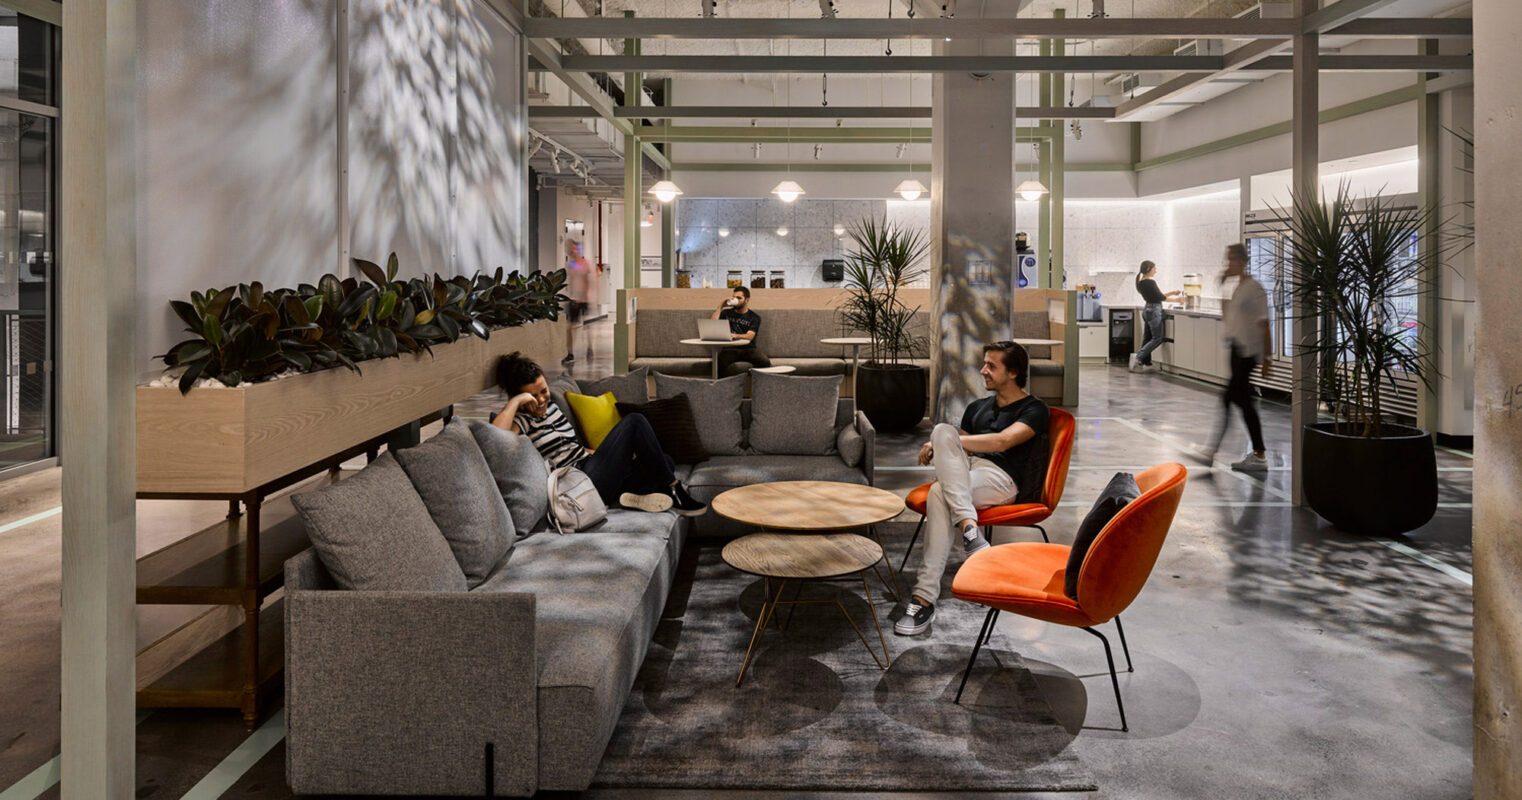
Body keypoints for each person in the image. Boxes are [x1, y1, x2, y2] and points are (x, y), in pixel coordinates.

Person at [896, 341, 1051, 637]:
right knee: (942, 468)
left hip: (1002, 480)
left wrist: (947, 440)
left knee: (940, 477)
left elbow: (1002, 442)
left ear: (1014, 372)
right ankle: (969, 529)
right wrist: (945, 443)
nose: (983, 371)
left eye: (992, 366)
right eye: (984, 364)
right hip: (967, 476)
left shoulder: (1034, 409)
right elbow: (957, 454)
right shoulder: (977, 408)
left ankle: (923, 599)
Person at [492, 352, 706, 516]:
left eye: (544, 391)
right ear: (519, 396)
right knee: (634, 422)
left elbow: (572, 447)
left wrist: (610, 456)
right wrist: (516, 402)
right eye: (532, 395)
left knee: (663, 460)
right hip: (579, 483)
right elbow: (496, 439)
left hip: (592, 468)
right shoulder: (521, 421)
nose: (541, 400)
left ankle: (628, 496)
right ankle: (674, 491)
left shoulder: (553, 409)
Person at [1194, 243, 1272, 473]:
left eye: (1230, 260)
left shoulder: (1254, 288)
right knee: (1243, 402)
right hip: (1237, 350)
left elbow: (1264, 324)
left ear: (1241, 261)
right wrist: (1224, 283)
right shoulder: (1238, 287)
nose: (1227, 264)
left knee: (1230, 398)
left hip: (1247, 353)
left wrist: (1267, 358)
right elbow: (1230, 317)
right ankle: (1258, 454)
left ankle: (1213, 451)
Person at [1130, 260, 1182, 372]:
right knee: (1157, 338)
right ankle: (1138, 356)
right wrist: (1178, 300)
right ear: (1149, 269)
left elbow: (1157, 295)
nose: (1156, 271)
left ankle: (1145, 364)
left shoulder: (1141, 283)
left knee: (1147, 338)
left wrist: (1172, 293)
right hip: (1154, 311)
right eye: (1154, 268)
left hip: (1147, 310)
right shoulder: (1150, 282)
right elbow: (1161, 298)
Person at [710, 286, 772, 375]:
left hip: (748, 349)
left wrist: (735, 335)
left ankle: (758, 386)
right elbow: (712, 324)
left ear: (747, 300)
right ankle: (723, 387)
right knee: (718, 363)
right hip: (730, 349)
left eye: (739, 298)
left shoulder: (754, 317)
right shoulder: (726, 313)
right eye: (734, 297)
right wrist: (721, 306)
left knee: (765, 362)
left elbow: (750, 336)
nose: (736, 300)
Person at [562, 240, 594, 366]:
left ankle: (590, 347)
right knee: (569, 328)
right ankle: (570, 354)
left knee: (587, 326)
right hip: (573, 300)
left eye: (572, 248)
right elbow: (571, 282)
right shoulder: (570, 265)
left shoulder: (585, 264)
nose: (570, 250)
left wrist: (587, 298)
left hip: (584, 300)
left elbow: (587, 282)